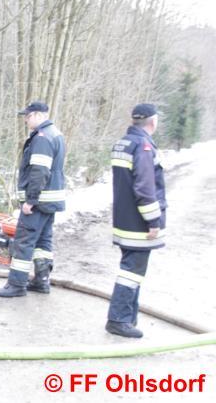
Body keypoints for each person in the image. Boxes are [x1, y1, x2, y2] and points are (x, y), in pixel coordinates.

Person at [106, 103, 166, 338]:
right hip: (139, 224)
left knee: (132, 270)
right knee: (131, 272)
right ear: (153, 121)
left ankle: (128, 317)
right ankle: (118, 319)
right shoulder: (143, 146)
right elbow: (145, 188)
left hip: (124, 220)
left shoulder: (124, 142)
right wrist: (154, 221)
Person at [0, 101, 66, 298]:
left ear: (38, 115)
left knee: (24, 242)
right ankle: (42, 280)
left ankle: (16, 284)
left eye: (28, 116)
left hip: (38, 202)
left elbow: (39, 171)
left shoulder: (42, 138)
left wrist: (30, 200)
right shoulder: (55, 134)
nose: (26, 120)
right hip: (50, 201)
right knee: (43, 242)